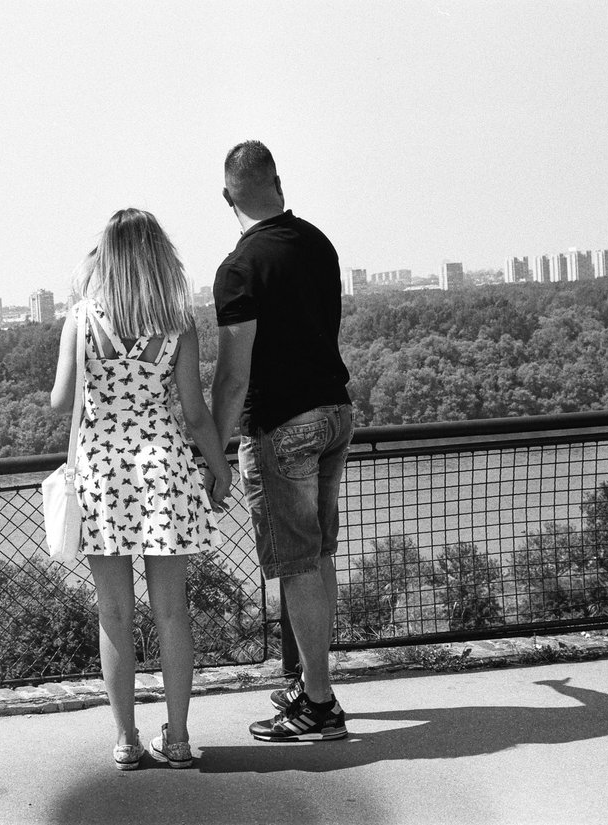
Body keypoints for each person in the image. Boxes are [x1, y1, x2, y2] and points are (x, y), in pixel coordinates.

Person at [50, 208, 232, 770]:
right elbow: (196, 413)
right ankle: (177, 739)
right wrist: (219, 464)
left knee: (115, 615)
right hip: (165, 468)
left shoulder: (81, 320)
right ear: (159, 256)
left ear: (109, 256)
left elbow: (60, 401)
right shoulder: (177, 321)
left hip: (104, 470)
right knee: (172, 613)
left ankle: (126, 740)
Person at [208, 141, 353, 742]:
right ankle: (312, 685)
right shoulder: (318, 243)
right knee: (317, 557)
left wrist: (213, 452)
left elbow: (234, 375)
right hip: (336, 413)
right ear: (277, 182)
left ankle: (318, 705)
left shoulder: (239, 270)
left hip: (283, 428)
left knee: (295, 566)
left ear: (227, 198)